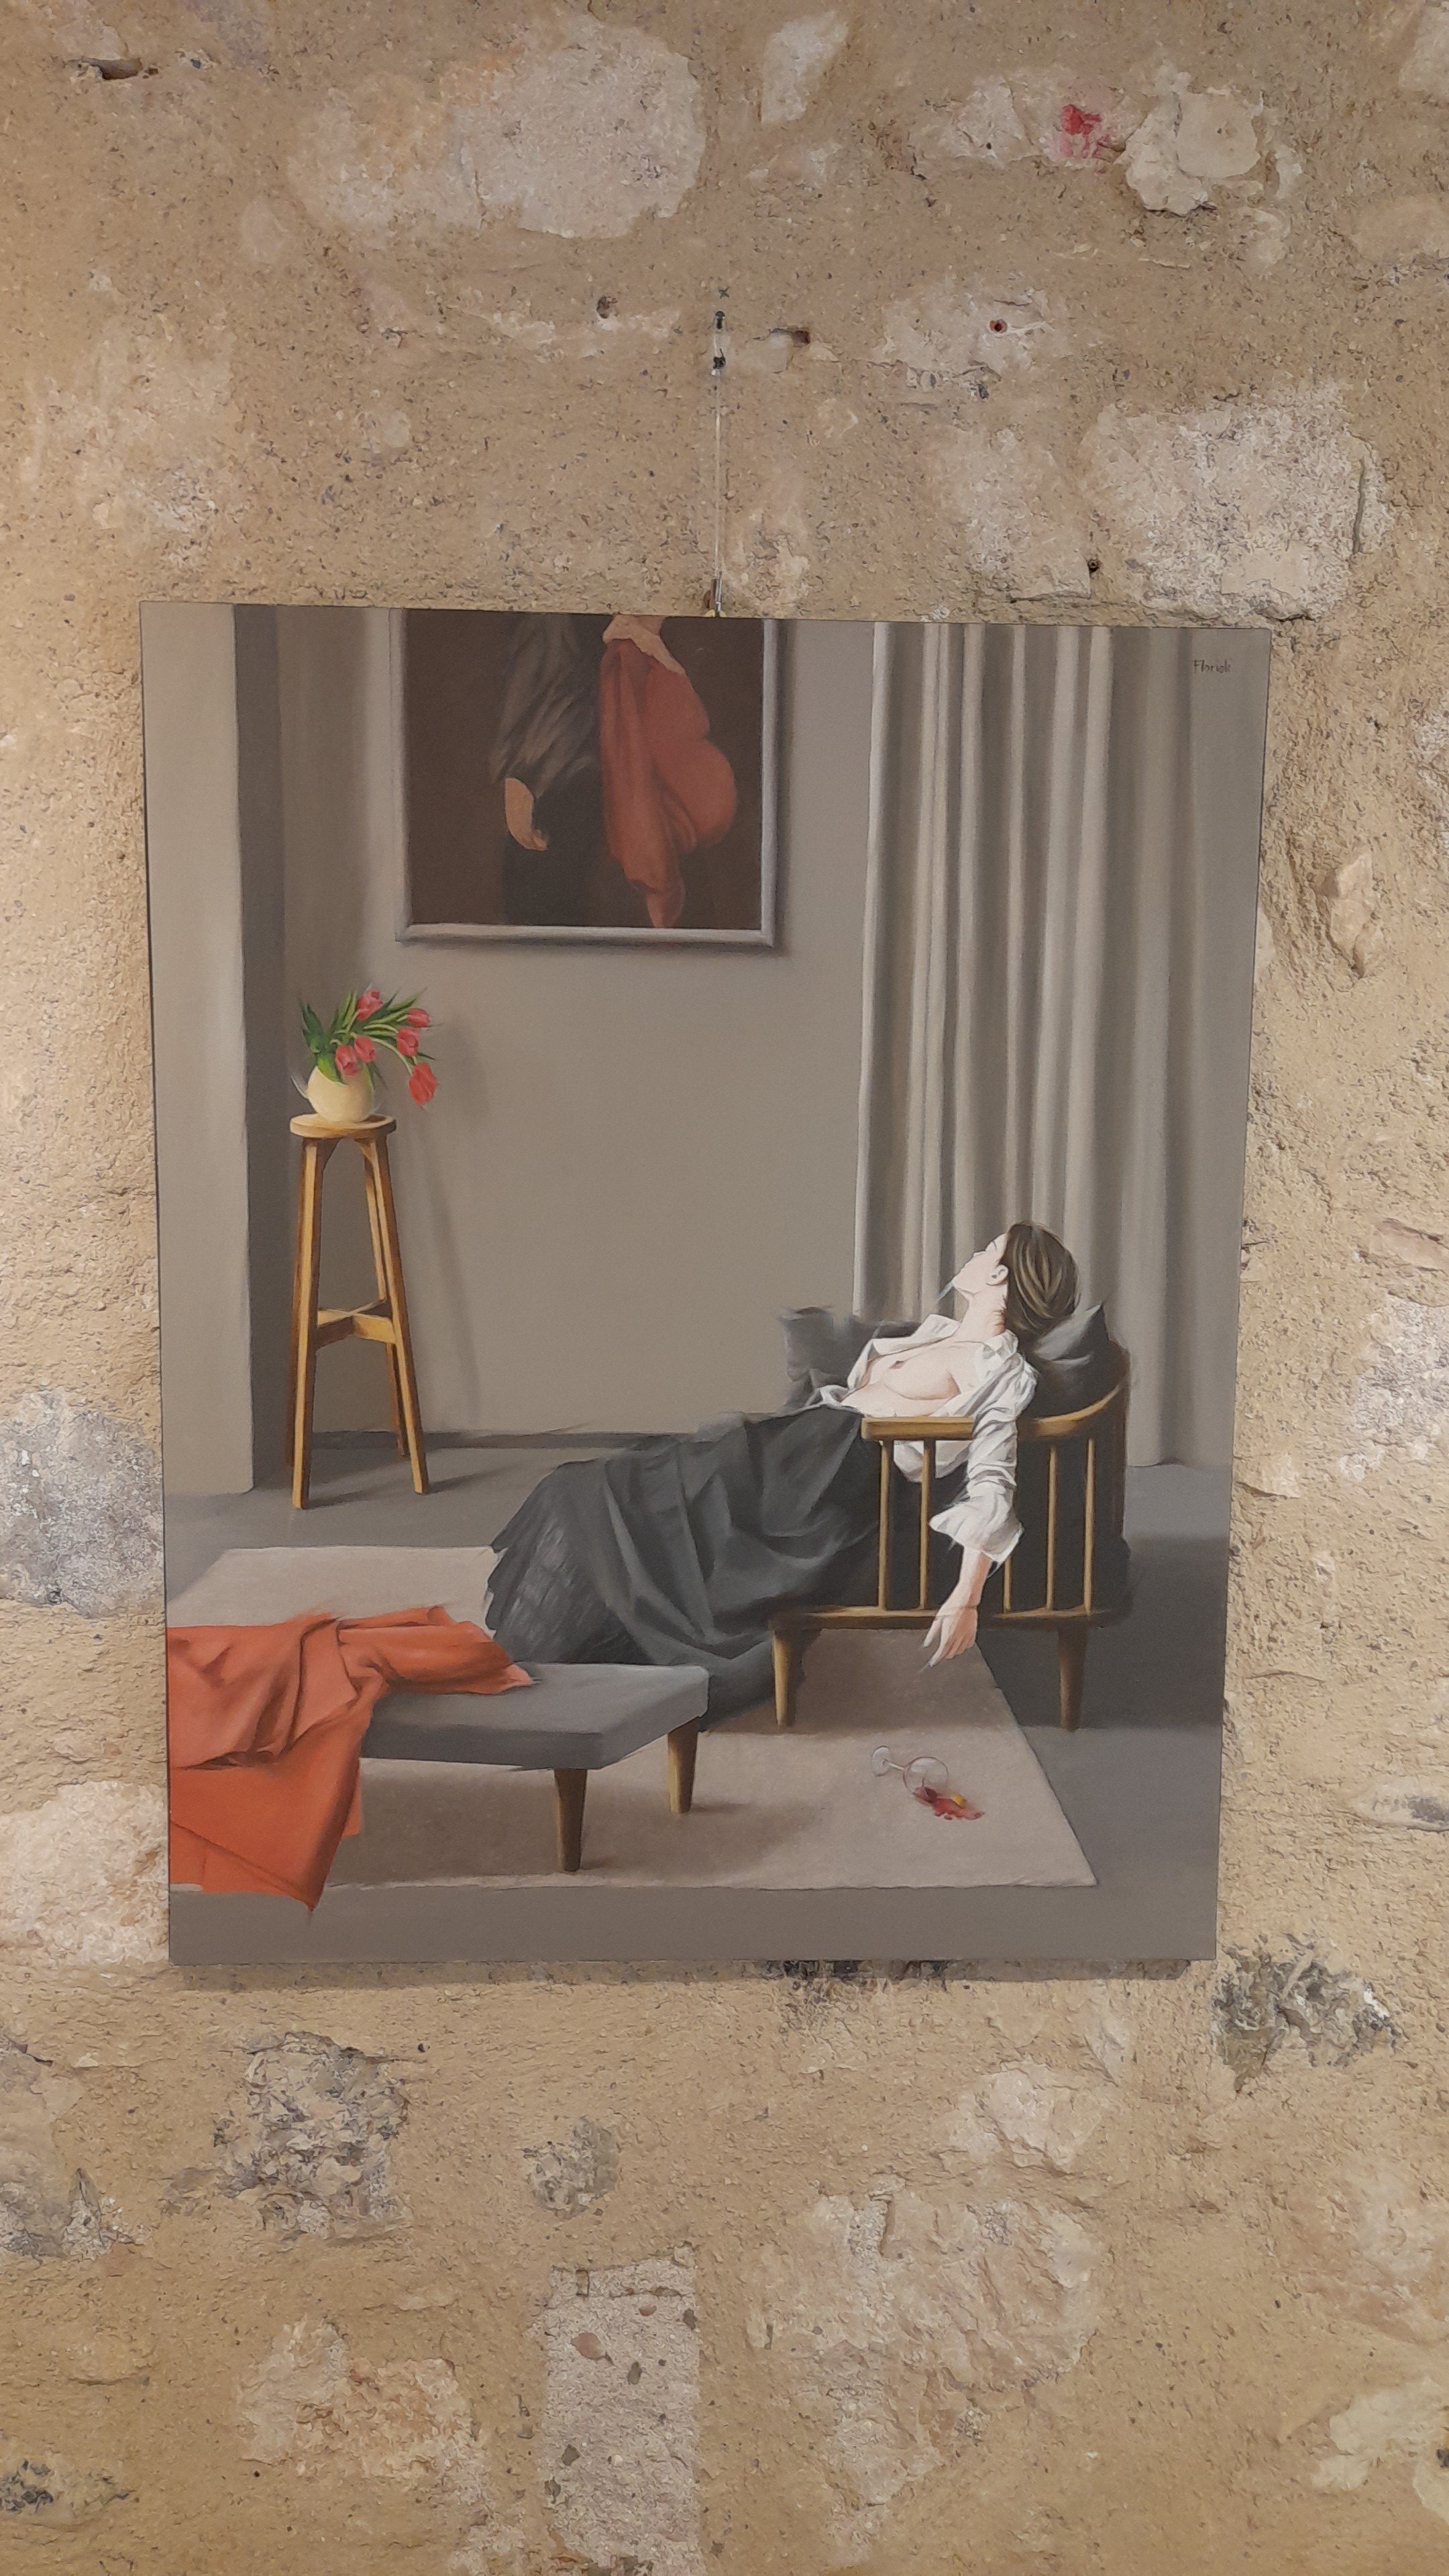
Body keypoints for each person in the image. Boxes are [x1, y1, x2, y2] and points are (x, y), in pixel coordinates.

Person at [484, 1224, 1082, 1717]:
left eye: (989, 1250)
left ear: (1000, 1277)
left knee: (597, 1495)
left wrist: (966, 1598)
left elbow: (992, 1481)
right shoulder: (941, 1334)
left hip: (827, 1483)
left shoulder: (1000, 1370)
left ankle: (525, 1668)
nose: (975, 1254)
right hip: (797, 1450)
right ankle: (524, 1659)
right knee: (603, 1488)